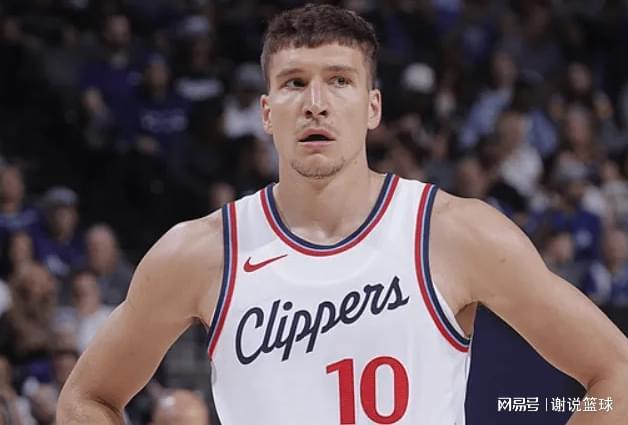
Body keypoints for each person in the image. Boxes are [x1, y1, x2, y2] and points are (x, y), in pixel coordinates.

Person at [57, 4, 628, 424]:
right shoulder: (201, 252)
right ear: (266, 112)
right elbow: (86, 399)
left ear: (372, 106)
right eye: (294, 83)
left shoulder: (454, 233)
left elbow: (616, 377)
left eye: (339, 81)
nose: (316, 103)